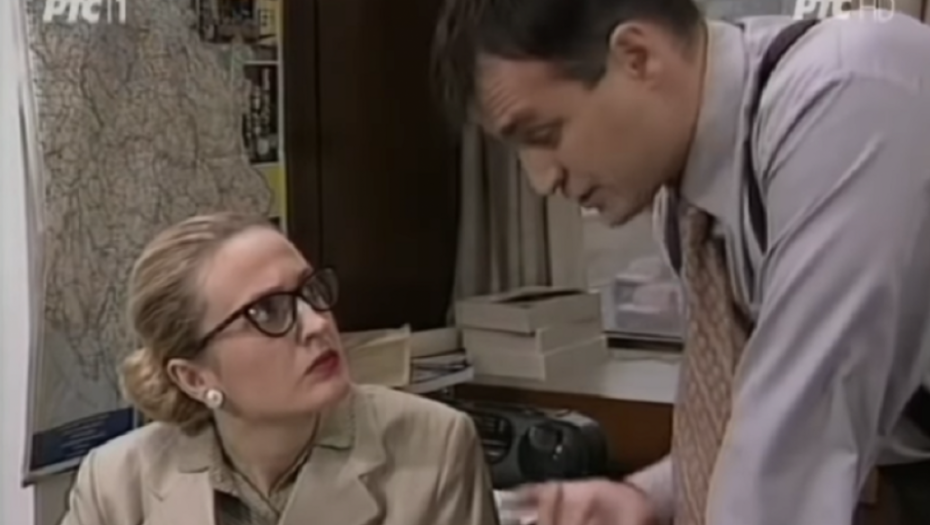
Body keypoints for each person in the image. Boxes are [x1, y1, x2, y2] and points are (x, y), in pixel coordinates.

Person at [432, 1, 930, 524]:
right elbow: (762, 420)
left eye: (544, 134)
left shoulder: (846, 100)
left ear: (637, 57)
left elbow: (799, 437)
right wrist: (650, 495)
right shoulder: (687, 212)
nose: (542, 180)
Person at [59, 212, 499, 525]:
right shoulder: (115, 484)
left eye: (310, 291)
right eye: (266, 311)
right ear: (195, 377)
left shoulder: (435, 447)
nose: (318, 323)